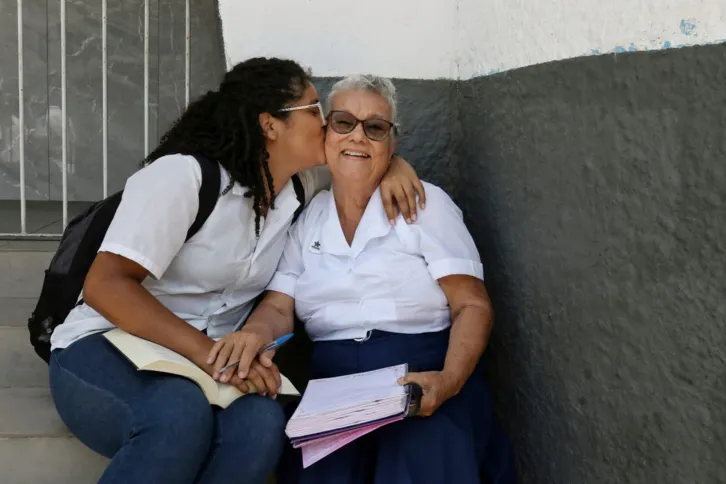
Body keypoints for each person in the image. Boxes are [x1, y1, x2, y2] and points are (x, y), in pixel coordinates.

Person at [47, 58, 425, 484]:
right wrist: (208, 356)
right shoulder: (183, 177)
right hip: (108, 346)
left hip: (212, 365)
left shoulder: (302, 184)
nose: (327, 125)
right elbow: (105, 285)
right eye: (315, 110)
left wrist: (396, 166)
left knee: (261, 424)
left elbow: (360, 157)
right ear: (270, 125)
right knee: (176, 414)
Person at [208, 74, 516, 483]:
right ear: (325, 133)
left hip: (421, 376)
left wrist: (446, 381)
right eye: (343, 123)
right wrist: (254, 334)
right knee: (322, 471)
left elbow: (472, 305)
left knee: (420, 455)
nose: (357, 136)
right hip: (335, 390)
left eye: (375, 128)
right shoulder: (309, 216)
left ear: (393, 143)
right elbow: (279, 305)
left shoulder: (426, 204)